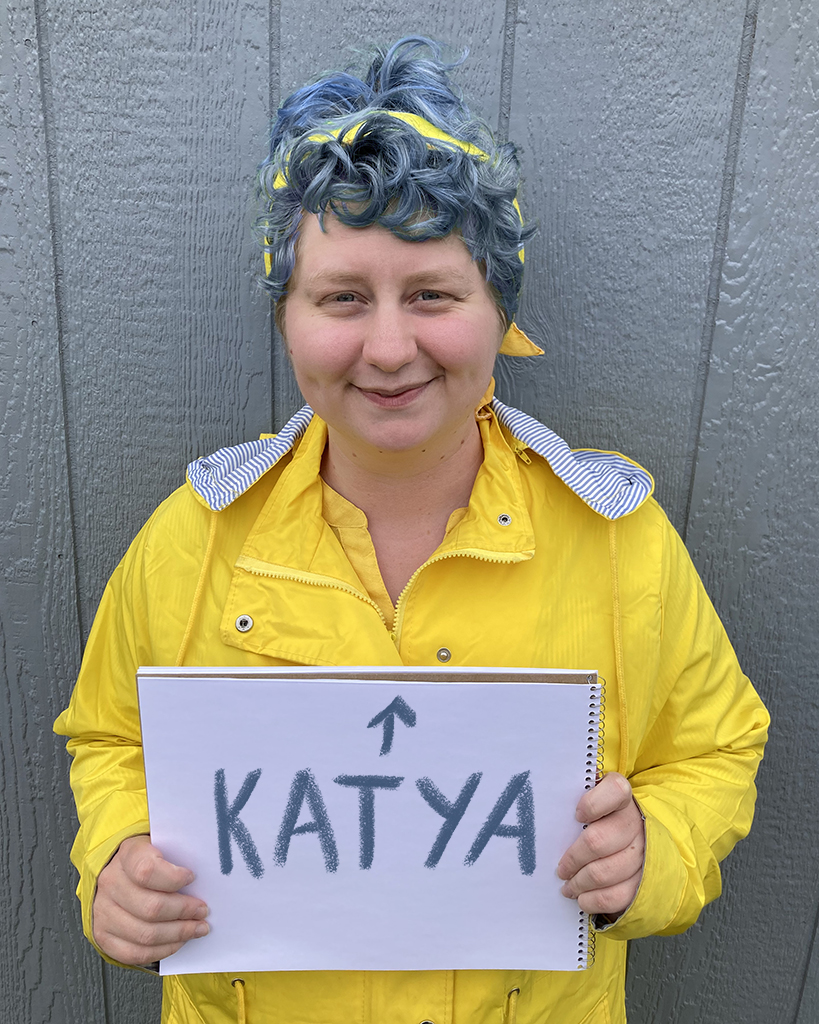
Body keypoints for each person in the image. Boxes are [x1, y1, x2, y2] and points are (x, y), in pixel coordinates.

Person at [55, 37, 769, 1024]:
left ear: (498, 309)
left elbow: (716, 747)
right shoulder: (195, 538)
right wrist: (117, 856)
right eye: (342, 298)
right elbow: (110, 735)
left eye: (432, 294)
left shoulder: (618, 544)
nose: (389, 348)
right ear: (286, 315)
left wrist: (657, 848)